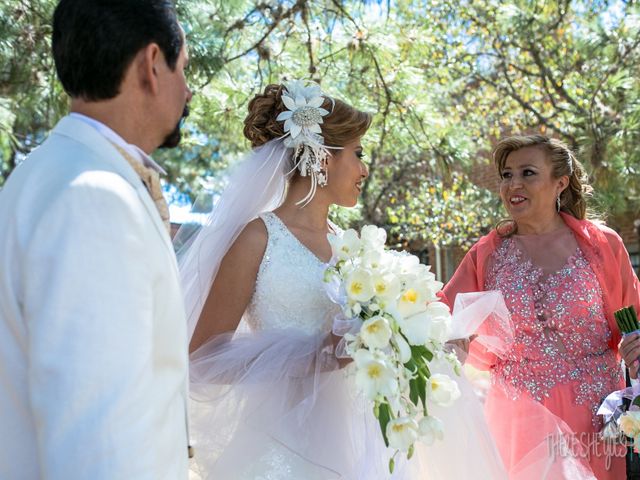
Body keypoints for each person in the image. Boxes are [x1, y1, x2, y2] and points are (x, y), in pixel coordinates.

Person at [177, 81, 508, 479]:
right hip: (282, 446)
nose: (365, 168)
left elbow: (372, 339)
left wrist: (426, 345)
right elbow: (202, 359)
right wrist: (318, 354)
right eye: (358, 153)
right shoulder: (257, 238)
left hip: (362, 440)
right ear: (322, 158)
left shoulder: (351, 246)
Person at [0, 1, 193, 478]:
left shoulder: (45, 174)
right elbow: (99, 443)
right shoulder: (93, 197)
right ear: (152, 66)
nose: (188, 90)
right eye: (183, 69)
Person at [442, 134, 640, 479]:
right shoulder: (486, 255)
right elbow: (438, 317)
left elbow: (634, 319)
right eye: (506, 175)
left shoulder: (603, 245)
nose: (513, 184)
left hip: (593, 416)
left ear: (559, 183)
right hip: (518, 416)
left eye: (527, 173)